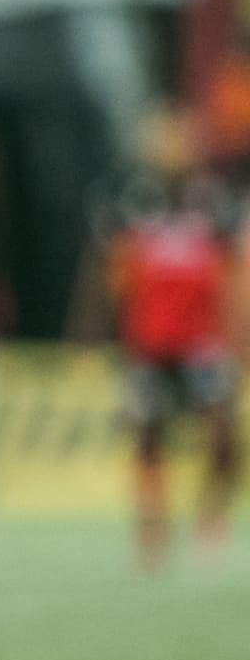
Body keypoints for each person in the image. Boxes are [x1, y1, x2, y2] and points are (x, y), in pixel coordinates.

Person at [71, 106, 244, 571]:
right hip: (147, 342)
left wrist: (239, 334)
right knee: (148, 435)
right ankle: (153, 525)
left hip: (203, 342)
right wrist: (89, 329)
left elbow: (234, 275)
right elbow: (107, 270)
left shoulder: (215, 204)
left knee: (224, 435)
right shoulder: (129, 202)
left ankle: (210, 517)